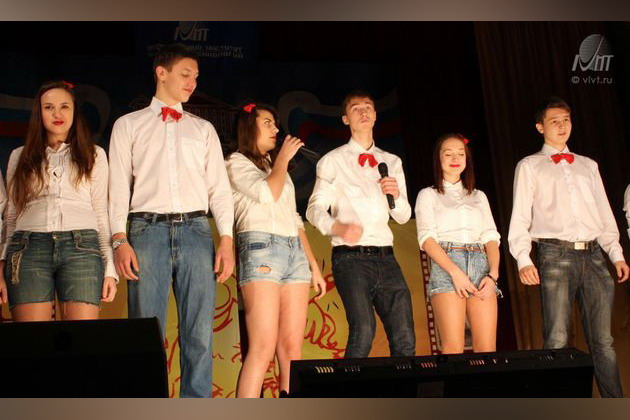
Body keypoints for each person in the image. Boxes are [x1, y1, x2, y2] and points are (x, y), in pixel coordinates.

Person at [108, 44, 235, 398]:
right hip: (146, 231)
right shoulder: (128, 125)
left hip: (196, 231)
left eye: (196, 76)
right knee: (146, 333)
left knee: (199, 334)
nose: (192, 82)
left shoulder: (203, 128)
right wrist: (119, 239)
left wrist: (226, 239)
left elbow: (219, 189)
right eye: (185, 74)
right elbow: (117, 188)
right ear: (161, 73)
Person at [508, 96, 629, 398]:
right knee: (557, 338)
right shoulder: (530, 166)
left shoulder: (588, 165)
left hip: (594, 255)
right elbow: (520, 216)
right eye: (554, 121)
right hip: (555, 253)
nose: (562, 126)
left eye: (566, 120)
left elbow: (603, 213)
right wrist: (523, 258)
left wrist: (615, 253)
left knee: (603, 342)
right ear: (540, 127)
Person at [226, 102, 326, 398]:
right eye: (267, 123)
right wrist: (282, 159)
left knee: (292, 349)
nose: (275, 129)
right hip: (261, 248)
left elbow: (294, 218)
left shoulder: (275, 167)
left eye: (275, 124)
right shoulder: (235, 162)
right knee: (263, 347)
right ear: (249, 127)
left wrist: (313, 265)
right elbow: (266, 193)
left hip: (294, 252)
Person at [306, 90, 415, 358]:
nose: (364, 112)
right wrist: (337, 227)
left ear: (375, 115)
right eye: (356, 108)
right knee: (363, 331)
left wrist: (396, 196)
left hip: (387, 257)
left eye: (368, 107)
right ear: (346, 119)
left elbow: (403, 216)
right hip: (351, 259)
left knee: (404, 337)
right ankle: (349, 385)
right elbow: (313, 209)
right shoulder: (333, 161)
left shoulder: (392, 161)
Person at [0, 80, 117, 321]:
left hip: (82, 248)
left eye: (64, 106)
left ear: (74, 111)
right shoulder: (19, 156)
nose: (57, 114)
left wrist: (109, 269)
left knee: (80, 338)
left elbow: (100, 213)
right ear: (39, 113)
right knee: (33, 339)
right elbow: (11, 217)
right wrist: (1, 266)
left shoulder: (95, 154)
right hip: (28, 247)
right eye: (48, 107)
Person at [415, 133, 501, 354]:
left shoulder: (479, 196)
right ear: (438, 159)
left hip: (481, 266)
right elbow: (427, 240)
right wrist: (455, 272)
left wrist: (493, 275)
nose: (455, 158)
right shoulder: (428, 194)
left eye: (460, 154)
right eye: (448, 154)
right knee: (453, 348)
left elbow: (491, 237)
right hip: (447, 264)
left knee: (487, 349)